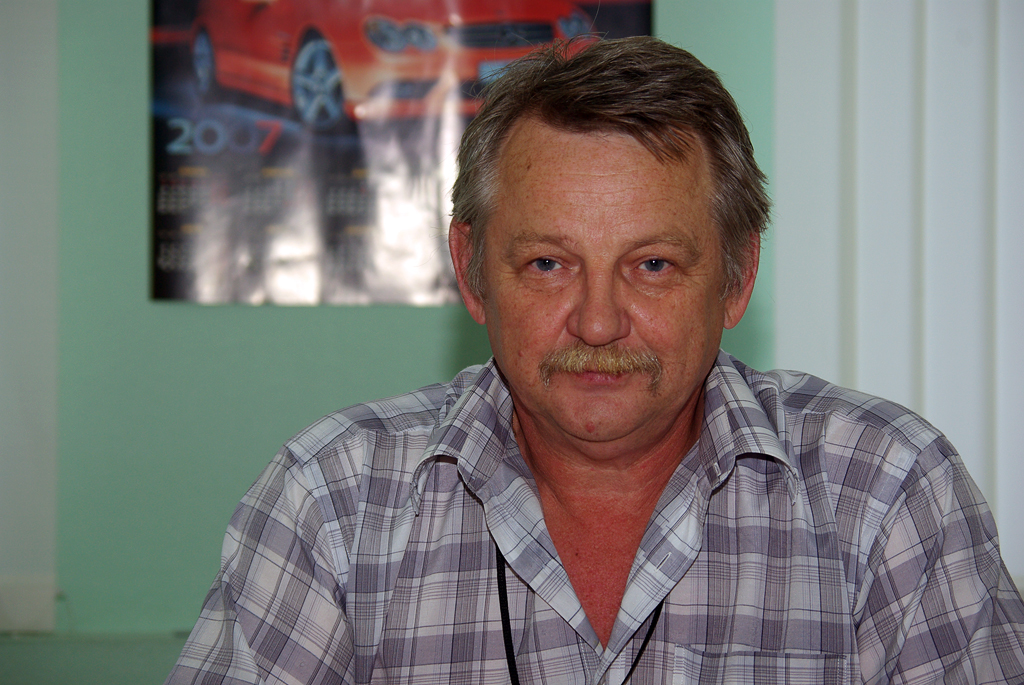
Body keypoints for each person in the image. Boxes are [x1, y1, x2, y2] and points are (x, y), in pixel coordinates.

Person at [166, 36, 1024, 684]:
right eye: (548, 263)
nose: (600, 321)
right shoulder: (332, 503)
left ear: (735, 276)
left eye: (653, 264)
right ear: (472, 271)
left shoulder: (887, 494)